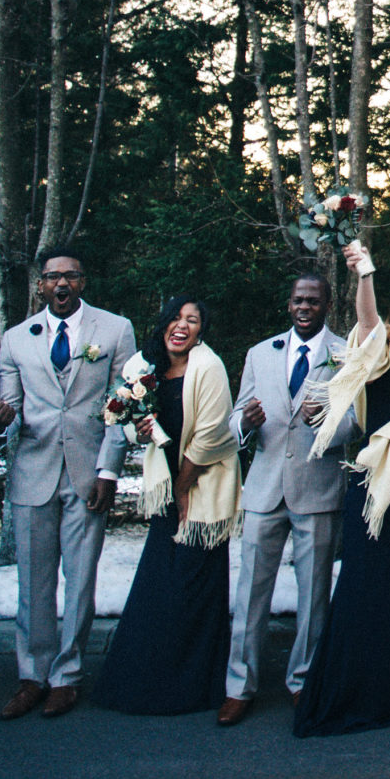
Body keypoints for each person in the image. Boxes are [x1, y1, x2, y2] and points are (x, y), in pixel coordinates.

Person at [293, 271, 390, 737]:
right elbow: (365, 322)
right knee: (369, 592)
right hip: (376, 494)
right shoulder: (381, 360)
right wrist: (365, 272)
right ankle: (360, 690)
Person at [219, 256, 368, 727]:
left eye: (314, 300)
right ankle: (238, 686)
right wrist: (244, 423)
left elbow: (356, 422)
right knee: (249, 595)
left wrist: (325, 420)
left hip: (317, 488)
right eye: (298, 300)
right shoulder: (261, 353)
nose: (305, 306)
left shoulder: (346, 352)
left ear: (327, 305)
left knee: (314, 595)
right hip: (263, 490)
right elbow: (235, 416)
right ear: (289, 305)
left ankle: (303, 681)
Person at [0, 251, 139, 719]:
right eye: (53, 277)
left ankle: (67, 675)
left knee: (79, 580)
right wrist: (1, 423)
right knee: (32, 583)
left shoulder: (115, 330)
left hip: (87, 471)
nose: (62, 284)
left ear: (83, 281)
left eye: (70, 276)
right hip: (33, 471)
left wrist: (109, 470)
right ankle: (32, 674)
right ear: (40, 285)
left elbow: (123, 404)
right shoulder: (16, 338)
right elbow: (10, 407)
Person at [92, 296, 242, 715]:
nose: (182, 326)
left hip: (202, 486)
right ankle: (146, 681)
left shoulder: (208, 368)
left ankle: (191, 687)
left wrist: (184, 488)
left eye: (192, 320)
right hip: (166, 488)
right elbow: (135, 432)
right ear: (162, 325)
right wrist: (142, 430)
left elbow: (213, 434)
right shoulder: (145, 367)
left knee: (193, 587)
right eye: (176, 318)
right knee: (160, 588)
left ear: (200, 331)